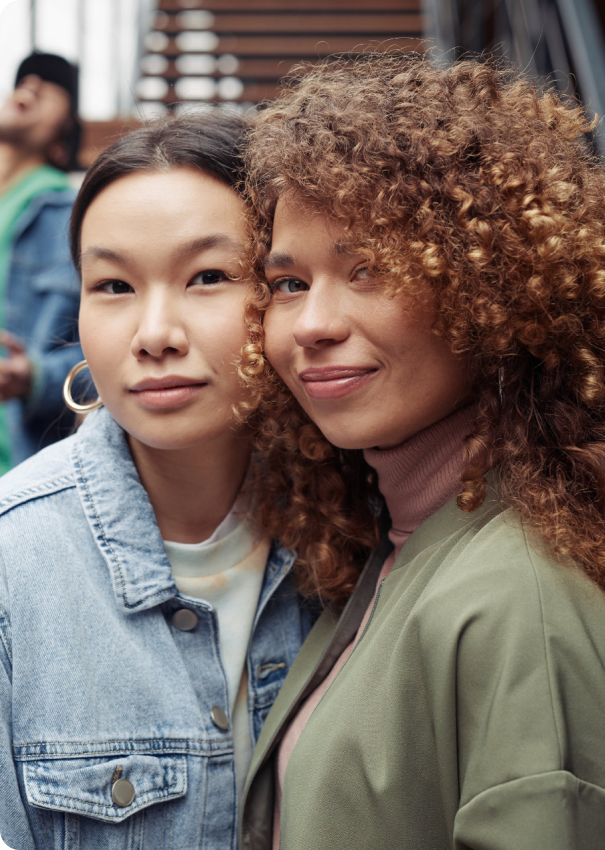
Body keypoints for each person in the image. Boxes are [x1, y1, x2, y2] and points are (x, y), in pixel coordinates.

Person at [237, 54, 605, 849]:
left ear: (495, 291)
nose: (311, 324)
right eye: (287, 282)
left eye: (369, 269)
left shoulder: (518, 602)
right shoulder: (405, 545)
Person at [0, 111, 315, 849]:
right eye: (112, 286)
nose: (154, 334)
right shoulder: (15, 563)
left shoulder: (368, 528)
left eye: (208, 276)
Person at [0, 52, 85, 472]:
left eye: (50, 86)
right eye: (23, 78)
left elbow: (99, 362)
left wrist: (31, 378)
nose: (30, 83)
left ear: (62, 137)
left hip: (15, 465)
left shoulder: (72, 218)